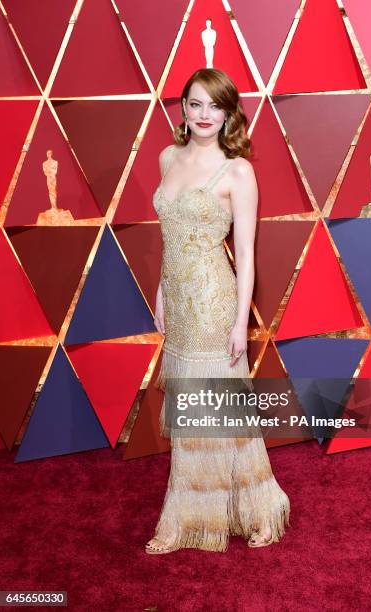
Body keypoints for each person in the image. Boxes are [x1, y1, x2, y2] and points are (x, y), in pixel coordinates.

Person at [145, 68, 290, 554]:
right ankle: (185, 518)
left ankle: (261, 510)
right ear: (182, 108)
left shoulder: (238, 171)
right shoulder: (167, 157)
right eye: (195, 104)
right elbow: (170, 237)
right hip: (180, 300)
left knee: (225, 412)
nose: (204, 115)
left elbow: (246, 253)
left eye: (215, 106)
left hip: (213, 301)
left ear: (228, 113)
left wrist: (240, 321)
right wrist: (162, 291)